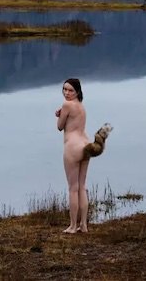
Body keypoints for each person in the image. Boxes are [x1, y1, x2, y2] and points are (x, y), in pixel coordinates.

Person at [55, 77, 90, 233]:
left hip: (73, 147)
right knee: (82, 187)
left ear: (77, 92)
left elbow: (60, 126)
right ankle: (83, 224)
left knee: (73, 188)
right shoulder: (81, 106)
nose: (66, 93)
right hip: (86, 144)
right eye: (65, 89)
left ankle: (73, 226)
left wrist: (60, 114)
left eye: (70, 90)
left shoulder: (67, 105)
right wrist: (62, 113)